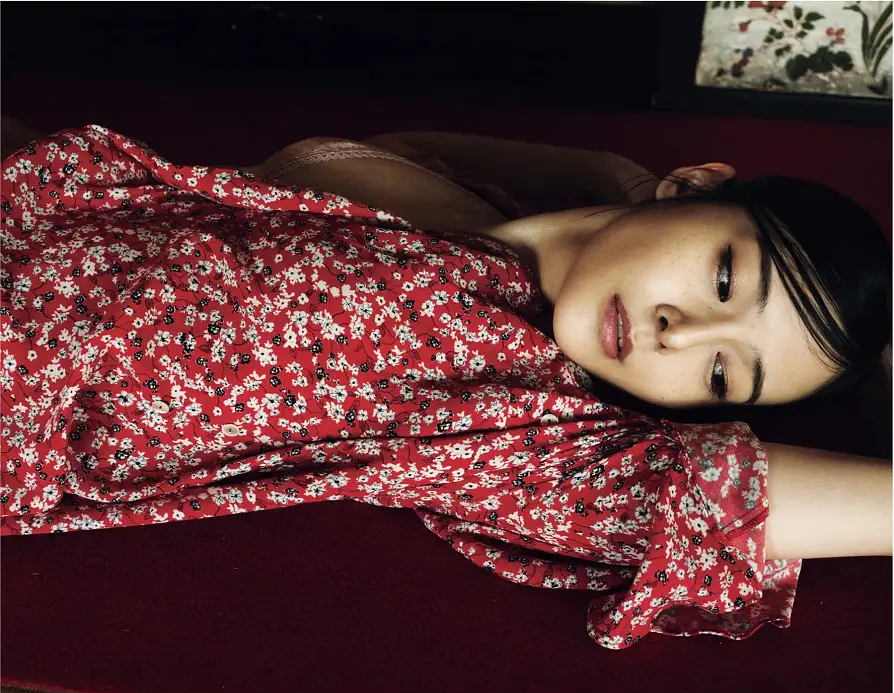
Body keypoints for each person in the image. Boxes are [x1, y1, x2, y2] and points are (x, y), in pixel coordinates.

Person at [0, 124, 890, 651]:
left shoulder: (520, 424)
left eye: (723, 373)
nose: (680, 332)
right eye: (725, 280)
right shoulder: (430, 189)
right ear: (693, 185)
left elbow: (716, 497)